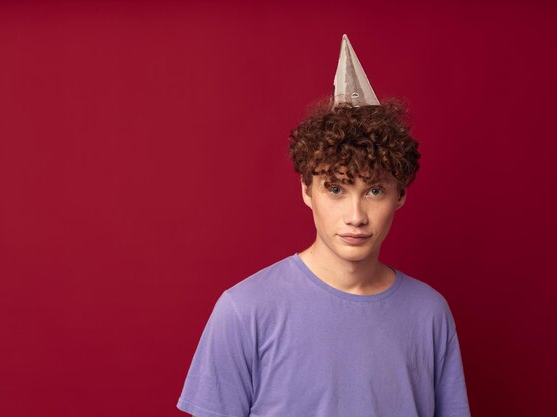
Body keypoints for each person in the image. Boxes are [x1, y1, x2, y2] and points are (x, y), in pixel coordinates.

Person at [177, 34, 471, 417]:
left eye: (375, 190)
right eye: (335, 188)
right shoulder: (244, 310)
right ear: (306, 190)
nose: (355, 215)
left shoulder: (430, 313)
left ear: (400, 195)